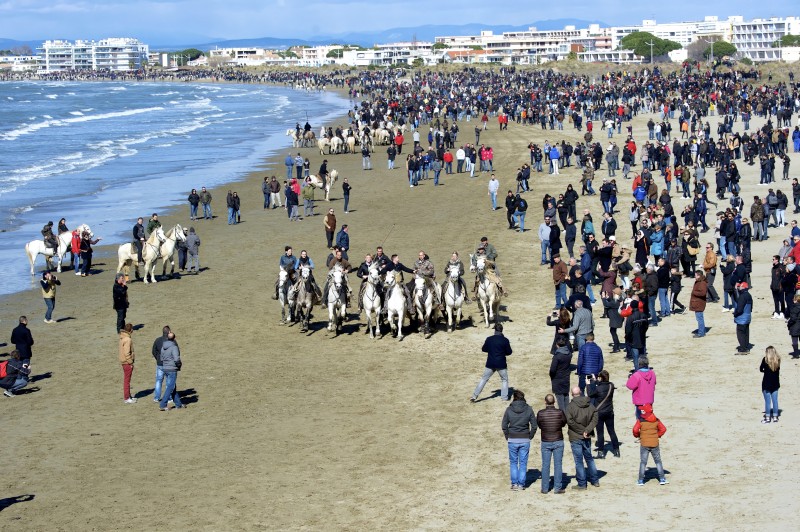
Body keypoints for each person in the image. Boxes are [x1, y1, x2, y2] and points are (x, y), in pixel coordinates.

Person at [502, 389, 537, 491]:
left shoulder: (509, 409)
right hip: (524, 439)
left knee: (513, 462)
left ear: (514, 398)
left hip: (512, 439)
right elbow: (534, 426)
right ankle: (521, 484)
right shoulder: (529, 409)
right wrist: (530, 436)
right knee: (523, 463)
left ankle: (514, 484)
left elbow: (504, 425)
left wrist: (507, 436)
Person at [566, 386, 600, 490]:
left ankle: (582, 483)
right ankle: (595, 480)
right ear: (580, 392)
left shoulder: (570, 406)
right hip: (586, 436)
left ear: (572, 394)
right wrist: (587, 430)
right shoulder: (589, 404)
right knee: (589, 458)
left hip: (576, 436)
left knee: (579, 461)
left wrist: (583, 431)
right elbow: (595, 418)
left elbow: (570, 422)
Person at [470, 322, 512, 402]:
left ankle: (474, 396)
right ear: (502, 331)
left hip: (490, 363)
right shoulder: (505, 340)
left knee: (484, 379)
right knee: (504, 380)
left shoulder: (489, 339)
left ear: (495, 330)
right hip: (501, 364)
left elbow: (484, 349)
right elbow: (509, 352)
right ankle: (504, 398)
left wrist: (492, 350)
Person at [536, 394, 567, 494]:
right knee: (558, 465)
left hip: (546, 440)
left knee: (545, 465)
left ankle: (545, 488)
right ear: (554, 402)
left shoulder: (540, 413)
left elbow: (539, 425)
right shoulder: (560, 412)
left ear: (545, 402)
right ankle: (557, 488)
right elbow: (563, 423)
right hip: (558, 439)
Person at [633, 404, 668, 486]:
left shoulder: (640, 420)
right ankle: (662, 479)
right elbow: (663, 429)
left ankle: (641, 480)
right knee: (658, 461)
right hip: (655, 443)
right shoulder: (656, 420)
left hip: (644, 444)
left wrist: (638, 435)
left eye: (642, 410)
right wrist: (658, 435)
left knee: (643, 462)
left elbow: (635, 430)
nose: (641, 411)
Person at [588, 370, 619, 458]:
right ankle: (616, 451)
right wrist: (596, 380)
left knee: (600, 433)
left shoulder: (598, 388)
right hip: (609, 411)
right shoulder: (611, 386)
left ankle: (601, 452)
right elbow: (604, 385)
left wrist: (588, 384)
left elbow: (590, 394)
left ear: (601, 378)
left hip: (600, 413)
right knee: (611, 431)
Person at [158, 331, 184, 411]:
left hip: (165, 368)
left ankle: (178, 404)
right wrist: (179, 365)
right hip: (172, 369)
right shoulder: (174, 347)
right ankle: (163, 404)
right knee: (170, 387)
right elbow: (176, 359)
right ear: (174, 338)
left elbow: (161, 358)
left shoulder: (163, 347)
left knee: (172, 387)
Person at [626, 355, 656, 420]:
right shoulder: (652, 373)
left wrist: (630, 378)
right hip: (649, 400)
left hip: (640, 402)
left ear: (639, 364)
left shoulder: (637, 375)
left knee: (640, 420)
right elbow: (654, 383)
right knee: (649, 418)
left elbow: (629, 386)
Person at [549, 336, 572, 411]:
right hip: (566, 377)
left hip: (558, 379)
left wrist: (551, 376)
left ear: (557, 345)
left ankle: (563, 416)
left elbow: (552, 370)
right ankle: (568, 414)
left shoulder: (557, 356)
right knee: (566, 396)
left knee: (560, 399)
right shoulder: (569, 354)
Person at [760, 346, 781, 423]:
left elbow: (761, 369)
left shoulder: (765, 360)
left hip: (766, 383)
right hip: (775, 383)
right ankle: (775, 417)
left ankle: (768, 417)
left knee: (768, 402)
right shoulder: (778, 360)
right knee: (775, 400)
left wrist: (765, 371)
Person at [119, 323, 137, 404]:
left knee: (127, 380)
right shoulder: (128, 339)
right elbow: (127, 353)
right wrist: (130, 362)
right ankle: (126, 398)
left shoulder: (122, 337)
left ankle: (128, 396)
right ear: (131, 330)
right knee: (127, 381)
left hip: (123, 362)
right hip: (127, 363)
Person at [733, 281, 753, 355]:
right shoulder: (749, 295)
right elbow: (751, 308)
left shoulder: (742, 296)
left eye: (740, 287)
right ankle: (746, 347)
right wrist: (735, 290)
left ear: (743, 288)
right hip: (748, 317)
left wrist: (735, 314)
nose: (739, 288)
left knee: (740, 333)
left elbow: (739, 309)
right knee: (746, 333)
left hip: (742, 318)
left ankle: (743, 349)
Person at [152, 325, 170, 404]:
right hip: (168, 364)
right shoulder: (171, 341)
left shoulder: (157, 340)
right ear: (168, 332)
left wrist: (158, 358)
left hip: (160, 364)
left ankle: (156, 397)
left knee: (158, 381)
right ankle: (168, 398)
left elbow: (154, 351)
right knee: (168, 381)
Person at [690, 270, 708, 338]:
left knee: (699, 318)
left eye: (695, 275)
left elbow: (703, 293)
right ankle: (702, 331)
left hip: (699, 303)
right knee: (699, 318)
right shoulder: (699, 281)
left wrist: (694, 293)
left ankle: (701, 333)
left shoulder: (702, 283)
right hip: (697, 302)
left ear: (698, 275)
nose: (695, 277)